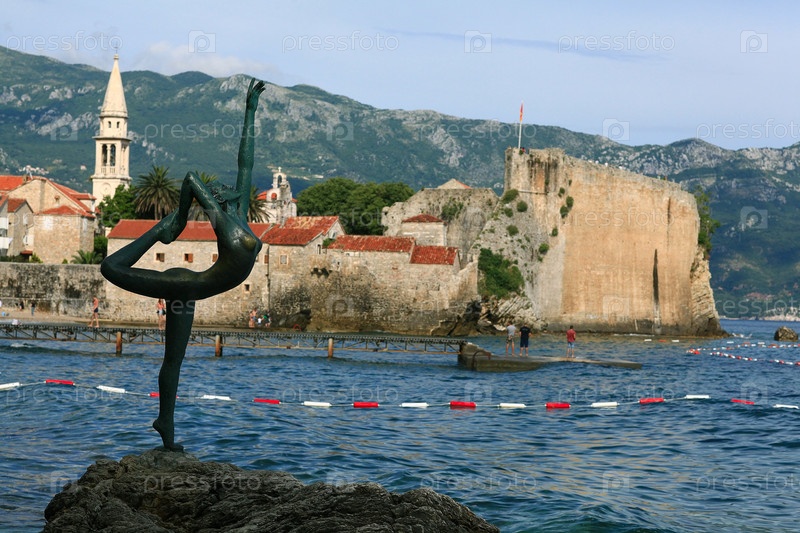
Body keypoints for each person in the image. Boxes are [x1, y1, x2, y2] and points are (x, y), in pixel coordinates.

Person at [101, 78, 265, 452]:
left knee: (173, 361)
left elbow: (246, 160)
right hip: (182, 284)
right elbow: (191, 178)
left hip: (189, 289)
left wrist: (250, 111)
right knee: (110, 268)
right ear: (215, 201)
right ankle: (158, 231)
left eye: (226, 189)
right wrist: (176, 220)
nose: (226, 189)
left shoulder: (239, 214)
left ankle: (166, 425)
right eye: (217, 192)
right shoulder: (222, 221)